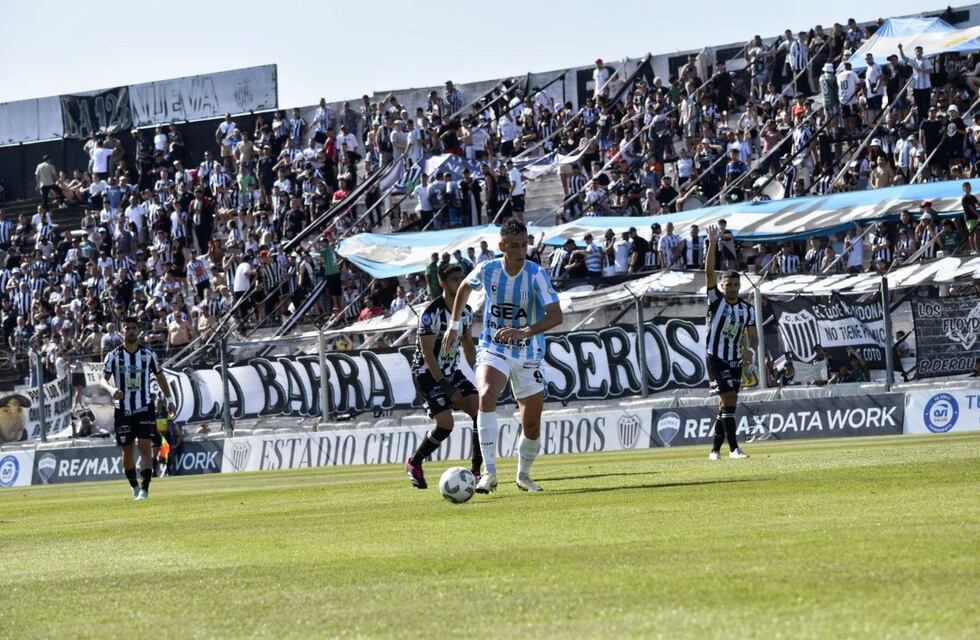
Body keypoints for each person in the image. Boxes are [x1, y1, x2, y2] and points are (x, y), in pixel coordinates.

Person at [442, 219, 563, 493]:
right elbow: (464, 288)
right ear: (502, 246)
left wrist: (525, 332)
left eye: (525, 244)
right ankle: (489, 473)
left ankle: (523, 475)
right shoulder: (488, 269)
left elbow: (556, 316)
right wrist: (454, 323)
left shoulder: (536, 274)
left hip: (528, 352)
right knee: (486, 394)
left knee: (531, 424)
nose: (522, 251)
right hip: (493, 347)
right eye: (515, 246)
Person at [404, 264, 483, 489]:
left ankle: (476, 470)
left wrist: (480, 374)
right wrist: (445, 386)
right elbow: (428, 354)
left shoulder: (466, 312)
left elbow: (468, 346)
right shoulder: (430, 315)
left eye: (461, 279)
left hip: (451, 371)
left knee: (479, 410)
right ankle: (414, 462)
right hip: (427, 374)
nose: (460, 284)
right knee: (446, 424)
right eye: (454, 280)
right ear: (442, 284)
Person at [101, 317, 176, 500]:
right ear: (122, 332)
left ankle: (145, 489)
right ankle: (134, 486)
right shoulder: (113, 356)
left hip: (144, 407)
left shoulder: (149, 354)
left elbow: (160, 377)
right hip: (123, 409)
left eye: (134, 328)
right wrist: (112, 390)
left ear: (139, 331)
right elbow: (103, 379)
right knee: (127, 450)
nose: (131, 331)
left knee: (144, 445)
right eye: (128, 328)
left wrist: (169, 398)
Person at [704, 225, 757, 461]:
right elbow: (708, 274)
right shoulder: (716, 300)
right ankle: (734, 449)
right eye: (729, 285)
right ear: (722, 287)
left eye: (736, 285)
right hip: (715, 356)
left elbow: (753, 335)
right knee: (730, 400)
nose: (733, 288)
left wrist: (750, 350)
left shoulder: (748, 309)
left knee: (724, 405)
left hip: (735, 358)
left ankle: (714, 450)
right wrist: (713, 243)